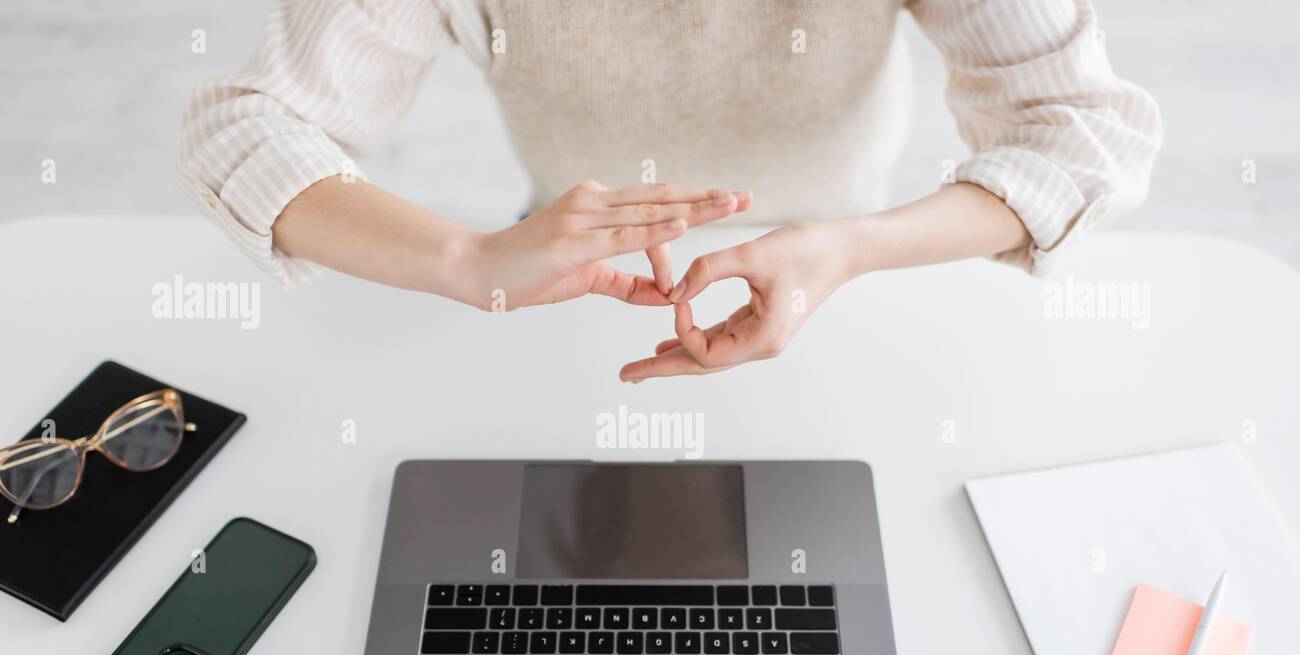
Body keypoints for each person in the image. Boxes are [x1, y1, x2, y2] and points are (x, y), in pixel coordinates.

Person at [180, 0, 1160, 381]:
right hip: (576, 259)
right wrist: (465, 259)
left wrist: (853, 246)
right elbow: (248, 126)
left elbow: (1078, 129)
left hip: (843, 248)